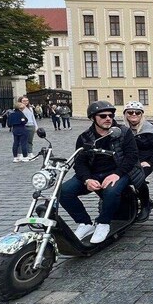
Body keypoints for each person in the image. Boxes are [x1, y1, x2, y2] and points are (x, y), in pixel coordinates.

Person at [59, 101, 145, 244]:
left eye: (110, 115)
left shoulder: (123, 132)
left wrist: (117, 174)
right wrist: (87, 179)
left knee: (111, 191)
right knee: (64, 191)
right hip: (93, 173)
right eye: (103, 116)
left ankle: (104, 223)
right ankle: (85, 223)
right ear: (93, 118)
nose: (108, 118)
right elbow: (80, 162)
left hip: (121, 172)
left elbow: (132, 157)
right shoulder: (85, 137)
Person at [123, 101, 153, 221]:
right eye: (130, 112)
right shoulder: (121, 130)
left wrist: (150, 161)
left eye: (137, 112)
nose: (134, 114)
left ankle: (146, 205)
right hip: (126, 162)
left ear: (142, 115)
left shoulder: (150, 130)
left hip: (144, 162)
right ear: (125, 114)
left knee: (138, 178)